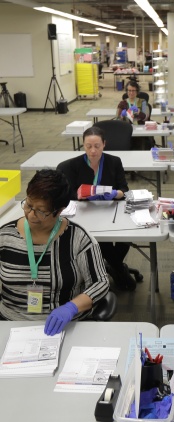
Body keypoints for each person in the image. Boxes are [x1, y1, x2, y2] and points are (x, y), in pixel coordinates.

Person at [0, 169, 109, 335]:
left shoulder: (78, 239)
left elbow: (100, 282)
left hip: (64, 328)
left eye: (41, 211)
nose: (31, 215)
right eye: (28, 205)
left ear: (59, 211)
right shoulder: (5, 236)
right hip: (11, 324)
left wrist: (72, 307)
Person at [57, 126, 137, 291]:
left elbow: (125, 190)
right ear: (83, 145)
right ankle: (118, 268)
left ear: (104, 144)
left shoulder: (114, 161)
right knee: (101, 241)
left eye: (97, 146)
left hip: (111, 210)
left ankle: (114, 266)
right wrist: (77, 195)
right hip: (86, 213)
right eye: (88, 146)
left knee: (126, 238)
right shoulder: (73, 165)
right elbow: (66, 195)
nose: (93, 151)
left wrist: (116, 193)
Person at [116, 80, 152, 150]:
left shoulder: (143, 102)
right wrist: (121, 116)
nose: (131, 93)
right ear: (127, 91)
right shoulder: (122, 103)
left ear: (137, 91)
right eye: (129, 90)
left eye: (133, 90)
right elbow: (117, 119)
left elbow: (146, 117)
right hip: (127, 131)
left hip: (141, 131)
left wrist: (139, 112)